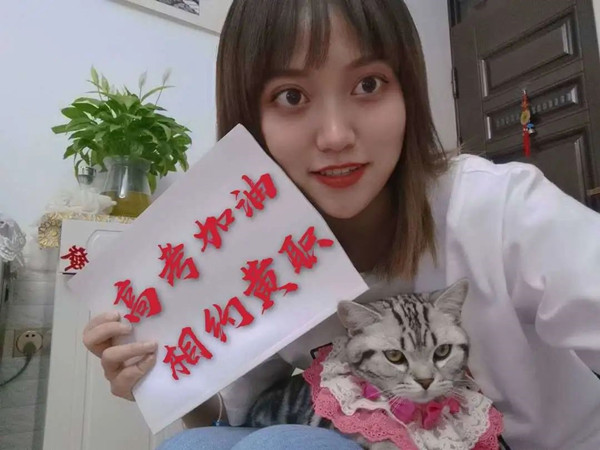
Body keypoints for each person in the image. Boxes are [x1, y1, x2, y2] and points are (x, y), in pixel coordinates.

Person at [82, 0, 600, 449]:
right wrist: (153, 379)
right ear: (249, 118)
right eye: (291, 96)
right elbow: (228, 418)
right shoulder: (257, 250)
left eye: (368, 84)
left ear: (408, 92)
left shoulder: (496, 207)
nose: (335, 136)